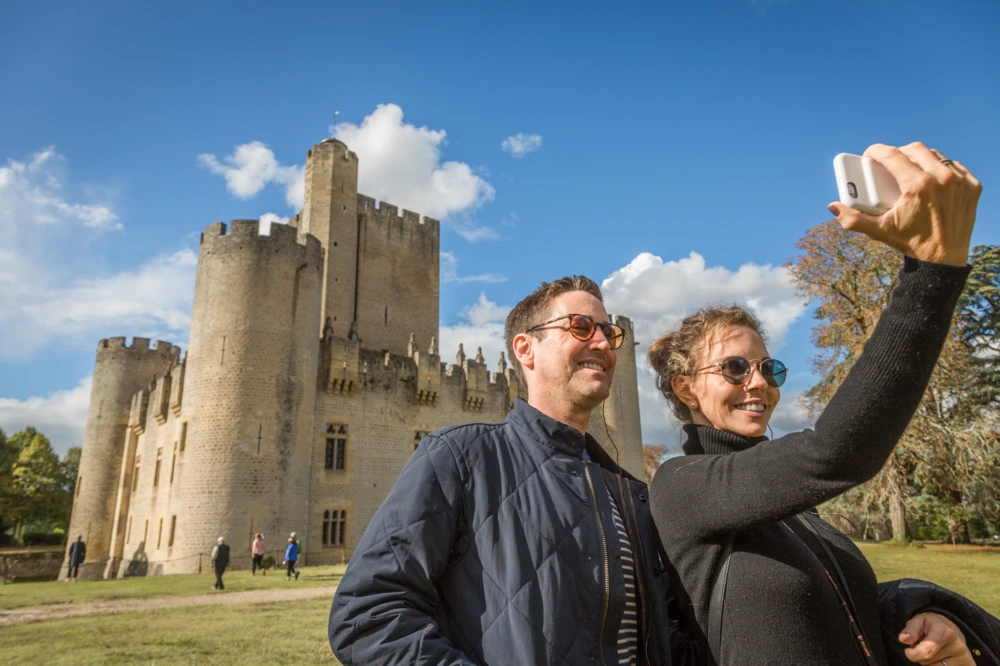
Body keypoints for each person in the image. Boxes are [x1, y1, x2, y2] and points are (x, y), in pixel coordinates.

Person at [648, 143, 994, 665]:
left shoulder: (798, 510)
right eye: (735, 368)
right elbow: (832, 453)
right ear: (685, 388)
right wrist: (931, 274)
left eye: (770, 368)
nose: (758, 383)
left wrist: (918, 626)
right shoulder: (682, 486)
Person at [330, 276, 673, 665]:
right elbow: (367, 614)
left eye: (610, 333)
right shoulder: (459, 457)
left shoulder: (626, 493)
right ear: (526, 349)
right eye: (581, 327)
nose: (601, 342)